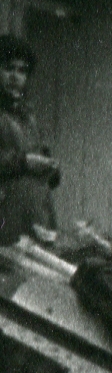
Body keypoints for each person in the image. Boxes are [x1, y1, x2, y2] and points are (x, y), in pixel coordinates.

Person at [0, 35, 62, 247]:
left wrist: (51, 168)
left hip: (36, 221)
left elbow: (42, 156)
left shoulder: (28, 116)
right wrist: (25, 162)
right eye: (9, 68)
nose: (15, 77)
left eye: (22, 71)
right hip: (5, 225)